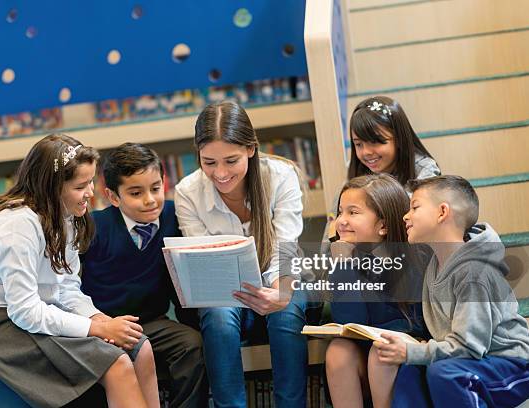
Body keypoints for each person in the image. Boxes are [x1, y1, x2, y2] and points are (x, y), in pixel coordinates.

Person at [0, 134, 159, 408]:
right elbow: (24, 311)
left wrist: (101, 320)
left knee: (140, 348)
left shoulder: (68, 215)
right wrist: (96, 330)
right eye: (81, 186)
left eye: (90, 182)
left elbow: (66, 288)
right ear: (52, 187)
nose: (90, 193)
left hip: (38, 309)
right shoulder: (17, 226)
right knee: (118, 364)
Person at [174, 101, 308, 407]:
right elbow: (205, 262)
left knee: (285, 312)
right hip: (227, 295)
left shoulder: (281, 176)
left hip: (281, 282)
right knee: (219, 317)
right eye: (209, 162)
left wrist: (278, 292)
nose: (220, 173)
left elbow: (285, 248)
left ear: (251, 148)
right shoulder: (187, 192)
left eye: (231, 160)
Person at [375, 175, 529, 408]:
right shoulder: (435, 267)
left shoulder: (473, 273)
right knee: (411, 371)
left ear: (442, 212)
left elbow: (469, 347)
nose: (406, 216)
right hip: (474, 361)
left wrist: (414, 351)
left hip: (512, 364)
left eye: (415, 207)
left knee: (444, 372)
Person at [81, 142, 208, 407]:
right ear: (114, 197)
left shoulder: (176, 215)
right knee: (119, 359)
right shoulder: (93, 228)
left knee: (191, 344)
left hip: (152, 321)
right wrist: (97, 326)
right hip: (105, 325)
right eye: (136, 193)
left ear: (164, 182)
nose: (150, 200)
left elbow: (182, 277)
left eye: (155, 188)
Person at [324, 174, 427, 408]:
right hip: (367, 351)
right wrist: (343, 266)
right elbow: (349, 323)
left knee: (381, 351)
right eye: (340, 212)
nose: (341, 221)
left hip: (402, 350)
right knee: (338, 350)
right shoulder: (347, 260)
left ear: (383, 225)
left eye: (353, 212)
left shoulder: (412, 259)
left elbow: (417, 325)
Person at [322, 95, 440, 245]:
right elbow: (331, 234)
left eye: (375, 142)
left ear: (399, 139)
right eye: (358, 144)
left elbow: (417, 227)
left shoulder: (424, 171)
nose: (366, 152)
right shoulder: (354, 173)